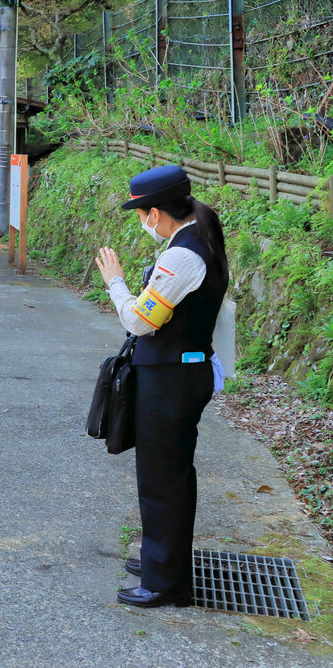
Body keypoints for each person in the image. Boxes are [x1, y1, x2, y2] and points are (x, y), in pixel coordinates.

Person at [94, 164, 229, 608]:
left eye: (140, 213)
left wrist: (115, 282)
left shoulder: (182, 256)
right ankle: (163, 560)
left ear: (155, 214)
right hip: (179, 372)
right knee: (170, 473)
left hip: (171, 379)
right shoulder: (199, 232)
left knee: (161, 478)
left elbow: (141, 319)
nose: (140, 221)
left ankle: (164, 583)